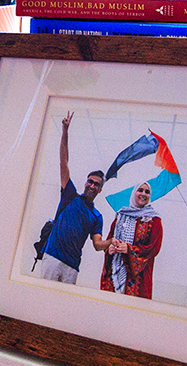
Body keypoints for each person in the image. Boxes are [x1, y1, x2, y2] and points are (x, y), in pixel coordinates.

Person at [39, 112, 111, 284]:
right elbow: (63, 162)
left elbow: (97, 244)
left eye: (97, 185)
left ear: (100, 190)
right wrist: (65, 131)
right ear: (86, 183)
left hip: (72, 267)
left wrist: (111, 241)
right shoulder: (70, 195)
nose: (92, 186)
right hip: (53, 258)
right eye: (90, 182)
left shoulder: (97, 217)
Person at [100, 182, 163, 298]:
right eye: (140, 190)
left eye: (147, 192)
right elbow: (109, 241)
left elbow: (154, 248)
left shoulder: (154, 220)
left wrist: (129, 249)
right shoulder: (120, 216)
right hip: (115, 271)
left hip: (139, 277)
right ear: (134, 193)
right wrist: (110, 249)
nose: (143, 194)